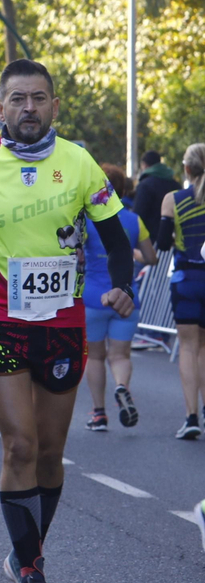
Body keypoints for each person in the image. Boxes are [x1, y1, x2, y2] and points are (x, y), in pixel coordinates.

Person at [0, 59, 133, 583]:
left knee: (51, 452)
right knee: (19, 446)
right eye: (18, 99)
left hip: (62, 324)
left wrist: (122, 285)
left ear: (54, 106)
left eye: (39, 98)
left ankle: (26, 547)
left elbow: (116, 239)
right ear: (1, 107)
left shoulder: (77, 163)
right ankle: (31, 571)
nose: (29, 108)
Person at [81, 165, 153, 432]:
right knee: (121, 355)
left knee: (96, 357)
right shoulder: (134, 220)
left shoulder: (88, 219)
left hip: (93, 298)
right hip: (127, 298)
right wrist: (131, 254)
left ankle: (99, 414)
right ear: (123, 190)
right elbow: (151, 257)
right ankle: (122, 387)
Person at [158, 143, 205, 439]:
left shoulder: (174, 199)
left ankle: (191, 417)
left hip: (187, 280)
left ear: (186, 169)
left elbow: (163, 243)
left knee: (188, 348)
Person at [133, 149, 180, 238]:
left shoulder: (144, 185)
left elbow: (138, 217)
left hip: (149, 240)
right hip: (173, 240)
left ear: (144, 165)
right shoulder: (175, 184)